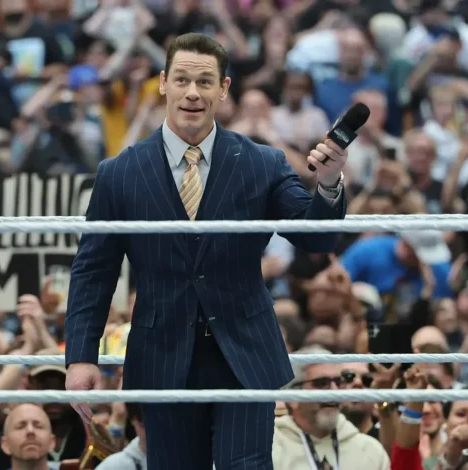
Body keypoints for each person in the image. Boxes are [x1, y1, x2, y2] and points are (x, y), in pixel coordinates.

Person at [65, 32, 349, 469]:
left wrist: (328, 183)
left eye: (204, 81)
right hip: (162, 357)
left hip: (245, 354)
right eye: (181, 80)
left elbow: (318, 238)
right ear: (163, 83)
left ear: (223, 88)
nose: (192, 93)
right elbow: (93, 271)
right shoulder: (119, 173)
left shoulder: (262, 162)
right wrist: (81, 357)